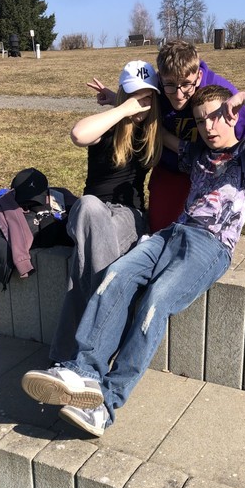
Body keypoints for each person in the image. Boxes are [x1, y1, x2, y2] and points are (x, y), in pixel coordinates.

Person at [21, 85, 245, 436]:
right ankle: (83, 371)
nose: (209, 126)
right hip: (171, 234)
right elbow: (159, 131)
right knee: (116, 275)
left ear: (232, 116)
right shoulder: (197, 153)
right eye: (201, 120)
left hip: (211, 247)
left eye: (216, 117)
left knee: (155, 301)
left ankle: (106, 405)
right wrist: (121, 102)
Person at [48, 60, 162, 362]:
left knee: (83, 268)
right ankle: (101, 340)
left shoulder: (153, 130)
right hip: (91, 213)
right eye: (134, 94)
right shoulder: (109, 124)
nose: (141, 102)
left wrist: (124, 103)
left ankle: (63, 358)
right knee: (88, 205)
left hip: (129, 216)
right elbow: (78, 134)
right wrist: (121, 108)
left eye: (147, 96)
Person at [88, 40, 245, 232]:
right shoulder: (158, 88)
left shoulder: (217, 91)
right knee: (159, 230)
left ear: (199, 76)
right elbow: (142, 106)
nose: (179, 94)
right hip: (169, 167)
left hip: (207, 170)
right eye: (170, 85)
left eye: (186, 84)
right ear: (161, 78)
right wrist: (117, 99)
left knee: (200, 230)